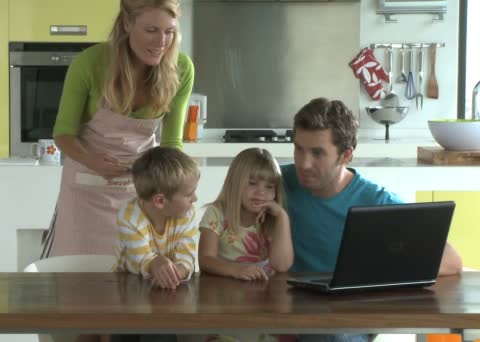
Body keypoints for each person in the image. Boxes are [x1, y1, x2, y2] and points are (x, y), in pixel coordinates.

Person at [282, 97, 463, 342]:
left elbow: (451, 262)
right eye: (298, 149)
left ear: (346, 155)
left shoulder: (376, 201)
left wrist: (371, 274)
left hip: (344, 320)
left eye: (317, 153)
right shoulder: (277, 182)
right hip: (287, 309)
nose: (303, 163)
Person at [42, 0, 194, 258]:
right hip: (85, 191)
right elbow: (63, 133)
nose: (161, 42)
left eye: (169, 31)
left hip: (141, 192)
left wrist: (179, 188)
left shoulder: (181, 68)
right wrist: (92, 160)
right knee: (76, 281)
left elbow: (171, 145)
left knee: (137, 279)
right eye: (151, 30)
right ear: (127, 23)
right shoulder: (90, 64)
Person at [198, 148, 294, 281]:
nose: (261, 192)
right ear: (235, 184)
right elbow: (205, 259)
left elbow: (281, 266)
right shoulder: (217, 212)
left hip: (264, 293)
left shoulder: (274, 218)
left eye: (269, 186)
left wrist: (282, 217)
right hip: (224, 288)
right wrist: (236, 270)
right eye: (252, 183)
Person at [113, 146, 199, 290]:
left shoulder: (187, 214)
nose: (195, 199)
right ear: (160, 201)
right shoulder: (128, 217)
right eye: (189, 194)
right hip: (130, 287)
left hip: (169, 287)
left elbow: (187, 257)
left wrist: (176, 272)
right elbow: (141, 260)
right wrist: (154, 264)